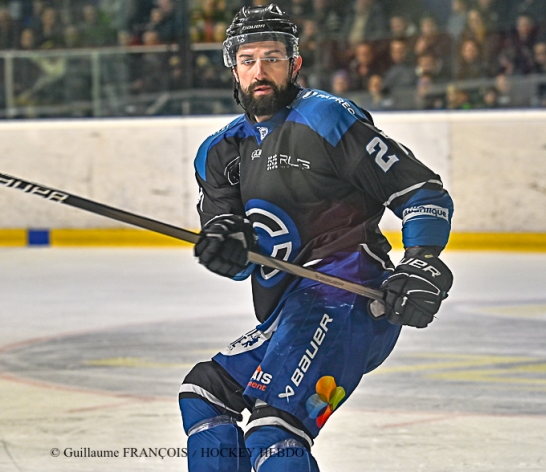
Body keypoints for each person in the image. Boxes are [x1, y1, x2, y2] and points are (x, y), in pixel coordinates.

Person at [181, 5, 454, 472]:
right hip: (290, 312)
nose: (259, 70)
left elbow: (419, 190)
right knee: (205, 396)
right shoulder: (220, 152)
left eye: (272, 57)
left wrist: (421, 261)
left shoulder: (325, 118)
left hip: (347, 302)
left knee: (275, 429)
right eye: (248, 60)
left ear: (294, 63)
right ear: (234, 68)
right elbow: (237, 251)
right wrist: (225, 248)